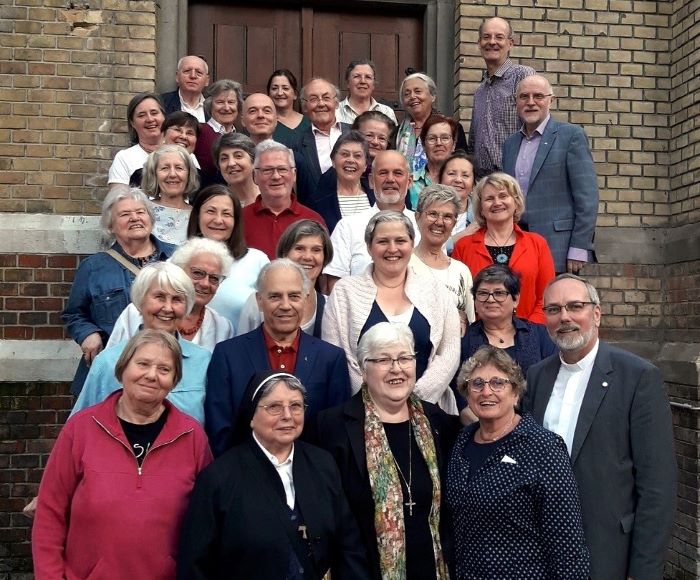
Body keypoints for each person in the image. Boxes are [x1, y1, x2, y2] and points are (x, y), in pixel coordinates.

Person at [522, 274, 677, 579]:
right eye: (553, 309)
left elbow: (657, 486)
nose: (564, 317)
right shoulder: (537, 376)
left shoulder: (637, 376)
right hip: (544, 552)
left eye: (574, 306)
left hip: (609, 552)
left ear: (596, 313)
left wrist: (643, 571)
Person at [32, 330, 212, 580]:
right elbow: (50, 512)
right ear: (122, 369)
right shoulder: (81, 429)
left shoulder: (192, 437)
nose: (152, 375)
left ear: (174, 381)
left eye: (164, 369)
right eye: (143, 364)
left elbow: (206, 524)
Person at [177, 371, 369, 579]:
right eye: (274, 407)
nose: (287, 415)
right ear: (251, 416)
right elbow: (195, 563)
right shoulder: (218, 478)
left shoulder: (323, 464)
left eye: (295, 406)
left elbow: (349, 543)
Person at [314, 323, 458, 580]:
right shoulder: (332, 427)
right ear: (363, 369)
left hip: (433, 569)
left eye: (405, 358)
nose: (397, 368)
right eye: (383, 360)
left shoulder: (437, 422)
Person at [447, 345, 590, 579]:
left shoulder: (543, 448)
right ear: (467, 393)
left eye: (498, 383)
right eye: (477, 383)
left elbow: (567, 545)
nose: (486, 391)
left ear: (515, 393)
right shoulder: (462, 442)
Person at [205, 259, 351, 456]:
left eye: (294, 296)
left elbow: (336, 432)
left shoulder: (330, 358)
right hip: (244, 470)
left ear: (306, 299)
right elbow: (219, 431)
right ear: (259, 300)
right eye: (275, 296)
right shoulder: (228, 355)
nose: (285, 305)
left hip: (312, 472)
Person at [323, 211, 460, 413]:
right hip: (362, 414)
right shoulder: (344, 292)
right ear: (369, 247)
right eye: (383, 241)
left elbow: (449, 352)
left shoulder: (436, 291)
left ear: (412, 244)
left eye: (400, 240)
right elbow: (338, 355)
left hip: (429, 410)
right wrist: (375, 401)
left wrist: (414, 399)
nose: (392, 248)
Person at [63, 187, 176, 396]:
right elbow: (74, 314)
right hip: (111, 370)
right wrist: (88, 334)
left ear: (150, 218)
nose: (135, 218)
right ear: (110, 225)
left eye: (141, 212)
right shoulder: (93, 267)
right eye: (125, 214)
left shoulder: (177, 258)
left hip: (163, 369)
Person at [72, 262, 212, 423]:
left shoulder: (203, 361)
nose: (168, 308)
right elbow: (80, 425)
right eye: (159, 297)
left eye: (177, 299)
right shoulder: (108, 362)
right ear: (140, 302)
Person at [503, 74, 599, 274]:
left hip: (558, 246)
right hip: (516, 244)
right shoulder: (510, 145)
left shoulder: (571, 136)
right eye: (524, 96)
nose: (531, 102)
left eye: (538, 96)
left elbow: (587, 199)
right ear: (516, 102)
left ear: (551, 101)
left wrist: (579, 246)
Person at [452, 172, 555, 324]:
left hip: (530, 331)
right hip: (478, 333)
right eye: (489, 198)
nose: (497, 202)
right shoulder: (463, 247)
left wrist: (528, 331)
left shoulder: (537, 244)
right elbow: (457, 299)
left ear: (516, 202)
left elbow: (547, 297)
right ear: (480, 208)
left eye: (503, 196)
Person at [107, 237, 234, 351]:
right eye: (197, 273)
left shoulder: (222, 327)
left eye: (214, 278)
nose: (205, 283)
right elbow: (111, 361)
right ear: (179, 269)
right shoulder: (136, 312)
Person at [323, 150, 418, 289]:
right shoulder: (348, 227)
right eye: (383, 173)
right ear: (371, 181)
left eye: (398, 173)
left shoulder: (423, 225)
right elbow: (334, 284)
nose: (390, 179)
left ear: (409, 181)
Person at [187, 184, 269, 329]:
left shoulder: (257, 260)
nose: (218, 220)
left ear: (236, 221)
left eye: (226, 214)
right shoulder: (179, 261)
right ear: (197, 216)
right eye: (211, 211)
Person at [237, 219, 333, 338]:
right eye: (299, 248)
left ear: (325, 257)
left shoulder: (330, 305)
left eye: (316, 250)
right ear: (284, 253)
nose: (308, 257)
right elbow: (242, 345)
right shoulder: (257, 301)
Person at [467, 17, 535, 179]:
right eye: (486, 37)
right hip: (482, 181)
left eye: (499, 37)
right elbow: (473, 141)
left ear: (510, 43)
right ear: (479, 43)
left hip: (514, 178)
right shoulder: (480, 92)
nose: (492, 42)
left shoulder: (522, 76)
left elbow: (537, 129)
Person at [460, 265, 556, 375]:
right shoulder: (463, 339)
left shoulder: (540, 335)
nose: (490, 299)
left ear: (516, 300)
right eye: (483, 293)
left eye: (499, 293)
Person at [243, 139, 325, 260]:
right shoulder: (240, 220)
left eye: (282, 169)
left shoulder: (313, 220)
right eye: (267, 170)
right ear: (255, 176)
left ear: (294, 174)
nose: (276, 176)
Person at [412, 184, 475, 336]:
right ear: (417, 217)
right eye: (432, 214)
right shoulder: (402, 265)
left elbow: (470, 323)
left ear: (454, 223)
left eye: (447, 216)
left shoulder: (461, 271)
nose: (439, 222)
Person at [395, 72, 467, 176]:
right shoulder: (396, 133)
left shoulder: (452, 128)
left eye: (418, 91)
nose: (412, 96)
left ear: (432, 96)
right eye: (407, 94)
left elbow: (463, 164)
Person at [293, 78, 351, 201]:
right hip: (314, 210)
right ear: (305, 107)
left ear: (336, 103)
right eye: (313, 99)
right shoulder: (296, 143)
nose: (321, 104)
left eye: (326, 98)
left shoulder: (355, 134)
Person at [306, 131, 374, 233]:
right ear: (333, 161)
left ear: (365, 165)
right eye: (345, 154)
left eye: (357, 156)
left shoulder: (377, 198)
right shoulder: (317, 203)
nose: (351, 160)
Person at [140, 144, 199, 244]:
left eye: (179, 168)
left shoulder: (198, 217)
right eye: (165, 168)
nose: (172, 174)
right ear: (154, 174)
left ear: (189, 174)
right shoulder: (141, 212)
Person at [108, 93, 165, 187]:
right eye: (141, 115)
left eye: (154, 113)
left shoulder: (180, 153)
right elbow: (118, 194)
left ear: (164, 116)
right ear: (132, 123)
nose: (150, 119)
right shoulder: (124, 158)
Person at [194, 79, 243, 180]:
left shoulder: (242, 137)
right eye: (220, 102)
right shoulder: (198, 132)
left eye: (231, 102)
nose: (226, 108)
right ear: (210, 105)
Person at [407, 114, 458, 209]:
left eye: (445, 138)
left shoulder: (462, 181)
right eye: (432, 138)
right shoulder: (410, 182)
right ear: (423, 145)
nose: (439, 143)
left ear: (454, 145)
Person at [336, 59, 397, 124]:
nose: (363, 81)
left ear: (373, 84)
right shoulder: (335, 111)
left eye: (368, 77)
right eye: (357, 76)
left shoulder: (387, 112)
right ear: (348, 82)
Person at [212, 132, 260, 207]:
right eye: (224, 158)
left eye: (238, 156)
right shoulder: (216, 204)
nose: (231, 163)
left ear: (253, 161)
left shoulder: (271, 195)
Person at [267, 68, 310, 146]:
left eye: (285, 88)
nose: (280, 93)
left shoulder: (308, 124)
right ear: (269, 94)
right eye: (274, 88)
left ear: (295, 94)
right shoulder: (264, 122)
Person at [438, 151, 476, 238]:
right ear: (440, 180)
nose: (458, 180)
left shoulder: (481, 218)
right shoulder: (427, 214)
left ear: (473, 185)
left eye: (465, 175)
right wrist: (463, 235)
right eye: (451, 173)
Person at [161, 55, 210, 121]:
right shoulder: (162, 103)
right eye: (187, 71)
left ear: (207, 81)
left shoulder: (214, 107)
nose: (193, 76)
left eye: (199, 72)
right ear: (177, 77)